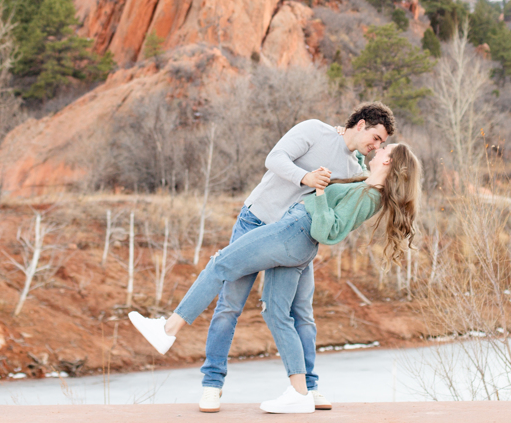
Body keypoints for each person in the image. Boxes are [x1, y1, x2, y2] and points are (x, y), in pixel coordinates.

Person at [129, 142, 422, 413]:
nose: (378, 146)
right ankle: (300, 392)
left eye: (384, 146)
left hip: (292, 233)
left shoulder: (368, 196)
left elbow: (328, 231)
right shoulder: (366, 185)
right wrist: (352, 146)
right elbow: (353, 175)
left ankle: (167, 330)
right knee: (277, 313)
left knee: (220, 265)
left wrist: (319, 193)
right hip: (298, 244)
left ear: (389, 160)